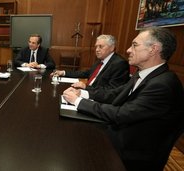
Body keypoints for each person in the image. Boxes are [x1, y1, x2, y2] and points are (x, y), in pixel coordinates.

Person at [62, 27, 184, 170]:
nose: (128, 50)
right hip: (123, 134)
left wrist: (78, 102)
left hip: (133, 152)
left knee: (72, 145)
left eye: (134, 45)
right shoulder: (145, 74)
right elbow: (114, 94)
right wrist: (82, 94)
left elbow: (122, 114)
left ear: (153, 49)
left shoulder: (162, 85)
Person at [52, 34, 130, 90]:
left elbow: (111, 91)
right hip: (88, 90)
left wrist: (86, 88)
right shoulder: (101, 60)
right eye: (96, 46)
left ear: (112, 48)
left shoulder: (119, 64)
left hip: (96, 99)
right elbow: (86, 73)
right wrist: (63, 72)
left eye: (101, 46)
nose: (97, 50)